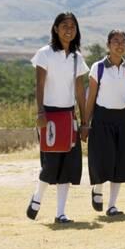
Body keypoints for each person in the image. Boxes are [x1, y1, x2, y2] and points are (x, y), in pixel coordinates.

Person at [26, 12, 89, 224]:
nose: (69, 29)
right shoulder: (45, 54)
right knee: (51, 163)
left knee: (68, 165)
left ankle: (61, 213)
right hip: (50, 115)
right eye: (64, 25)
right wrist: (40, 112)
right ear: (55, 28)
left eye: (72, 25)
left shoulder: (77, 58)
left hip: (69, 115)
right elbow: (40, 85)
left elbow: (81, 92)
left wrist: (85, 122)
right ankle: (37, 197)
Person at [81, 30, 125, 217]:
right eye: (115, 41)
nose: (120, 44)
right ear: (108, 45)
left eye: (123, 41)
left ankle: (112, 206)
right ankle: (97, 188)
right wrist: (85, 123)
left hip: (122, 118)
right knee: (103, 158)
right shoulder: (97, 68)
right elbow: (90, 98)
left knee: (121, 161)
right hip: (101, 117)